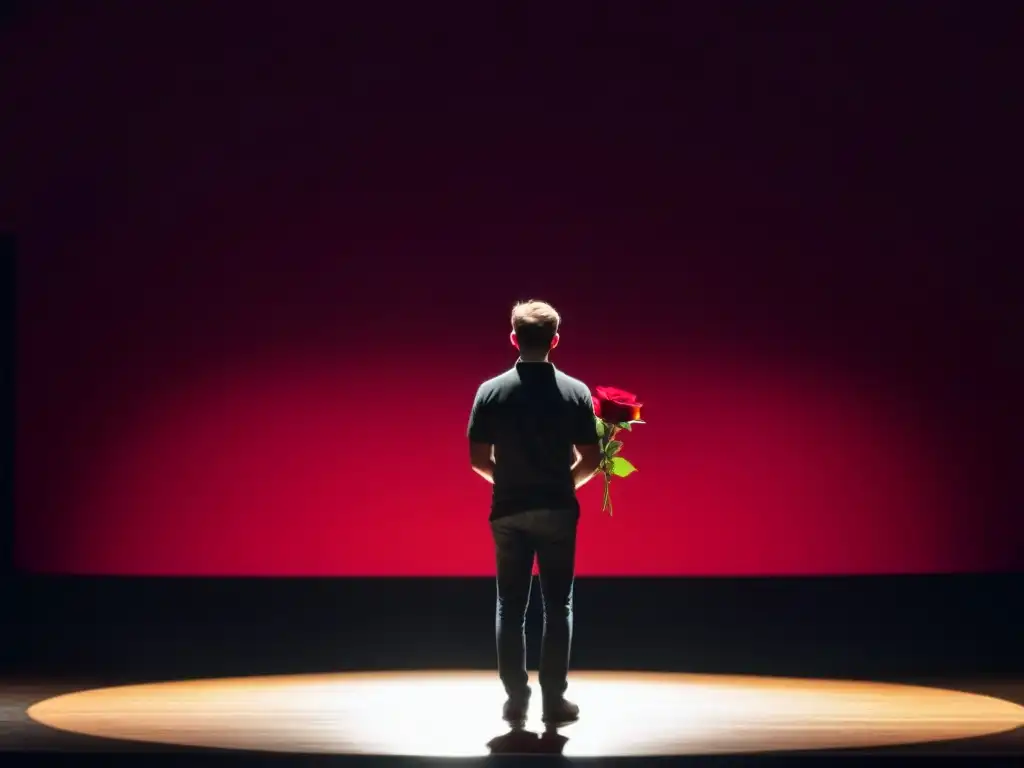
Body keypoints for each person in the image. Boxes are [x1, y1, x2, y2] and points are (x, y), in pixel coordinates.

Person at [466, 300, 603, 727]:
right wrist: (566, 484)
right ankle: (553, 700)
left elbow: (477, 459)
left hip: (508, 510)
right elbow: (592, 458)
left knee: (510, 605)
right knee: (558, 604)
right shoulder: (575, 392)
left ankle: (515, 698)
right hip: (558, 510)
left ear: (513, 337)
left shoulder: (491, 391)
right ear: (555, 340)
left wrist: (507, 483)